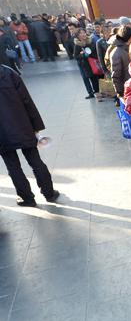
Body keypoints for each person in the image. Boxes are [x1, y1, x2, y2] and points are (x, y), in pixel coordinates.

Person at [0, 65, 60, 206]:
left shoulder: (9, 72)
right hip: (22, 125)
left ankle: (27, 198)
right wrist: (36, 126)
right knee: (35, 160)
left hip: (2, 133)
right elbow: (26, 100)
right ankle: (49, 193)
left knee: (12, 166)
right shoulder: (8, 73)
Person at [71, 28, 101, 100]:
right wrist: (83, 55)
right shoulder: (77, 45)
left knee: (95, 78)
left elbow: (95, 52)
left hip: (93, 63)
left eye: (84, 32)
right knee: (87, 78)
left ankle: (97, 93)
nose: (83, 34)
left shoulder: (90, 42)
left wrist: (89, 54)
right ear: (77, 36)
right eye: (81, 33)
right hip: (84, 65)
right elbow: (76, 56)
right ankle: (91, 93)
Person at [109, 25, 131, 99]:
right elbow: (116, 75)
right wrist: (120, 93)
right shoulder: (117, 52)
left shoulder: (128, 48)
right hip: (127, 89)